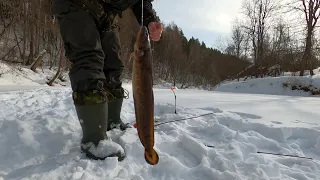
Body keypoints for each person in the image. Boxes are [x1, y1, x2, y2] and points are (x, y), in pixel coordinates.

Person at [51, 0, 163, 161]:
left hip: (107, 12)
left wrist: (150, 20)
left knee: (113, 65)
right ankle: (94, 139)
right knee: (89, 60)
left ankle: (112, 121)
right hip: (76, 4)